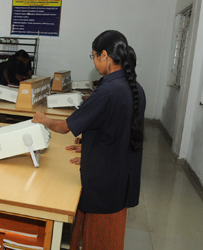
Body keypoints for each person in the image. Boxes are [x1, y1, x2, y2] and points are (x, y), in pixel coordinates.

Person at [32, 30, 146, 250]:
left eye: (93, 56)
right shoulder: (135, 89)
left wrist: (43, 119)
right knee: (110, 235)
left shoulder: (108, 91)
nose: (94, 62)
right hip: (122, 177)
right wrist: (90, 146)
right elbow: (117, 129)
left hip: (104, 182)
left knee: (98, 238)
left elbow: (65, 127)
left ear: (104, 55)